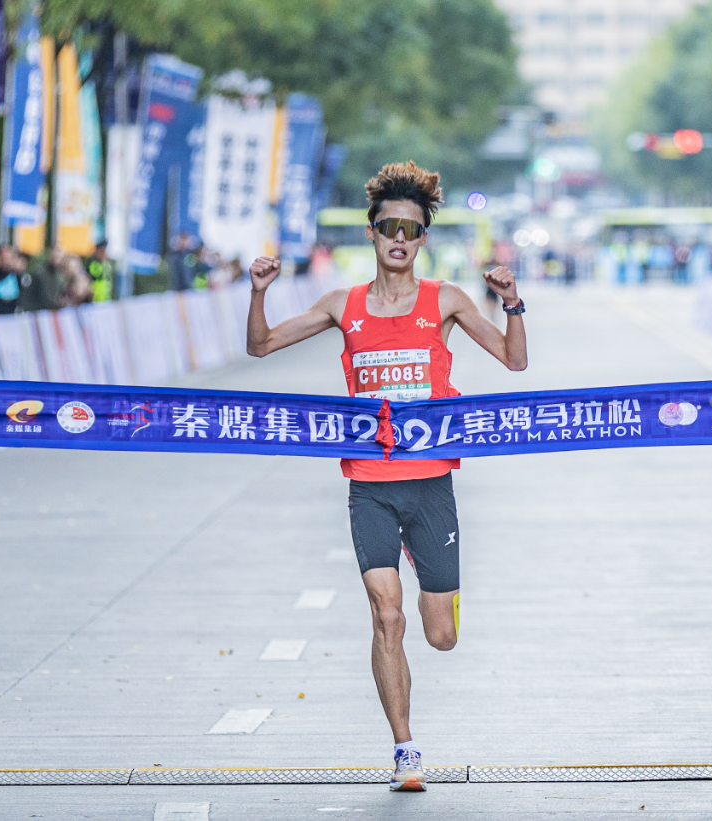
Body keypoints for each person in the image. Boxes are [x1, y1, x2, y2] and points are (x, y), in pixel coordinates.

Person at [244, 161, 527, 792]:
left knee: (440, 635)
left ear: (423, 238)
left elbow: (515, 360)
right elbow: (261, 347)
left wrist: (512, 303)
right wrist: (258, 292)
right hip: (369, 484)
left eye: (411, 229)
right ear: (371, 233)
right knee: (386, 616)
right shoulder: (341, 306)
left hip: (430, 486)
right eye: (389, 227)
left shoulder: (445, 300)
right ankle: (405, 750)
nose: (399, 238)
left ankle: (433, 575)